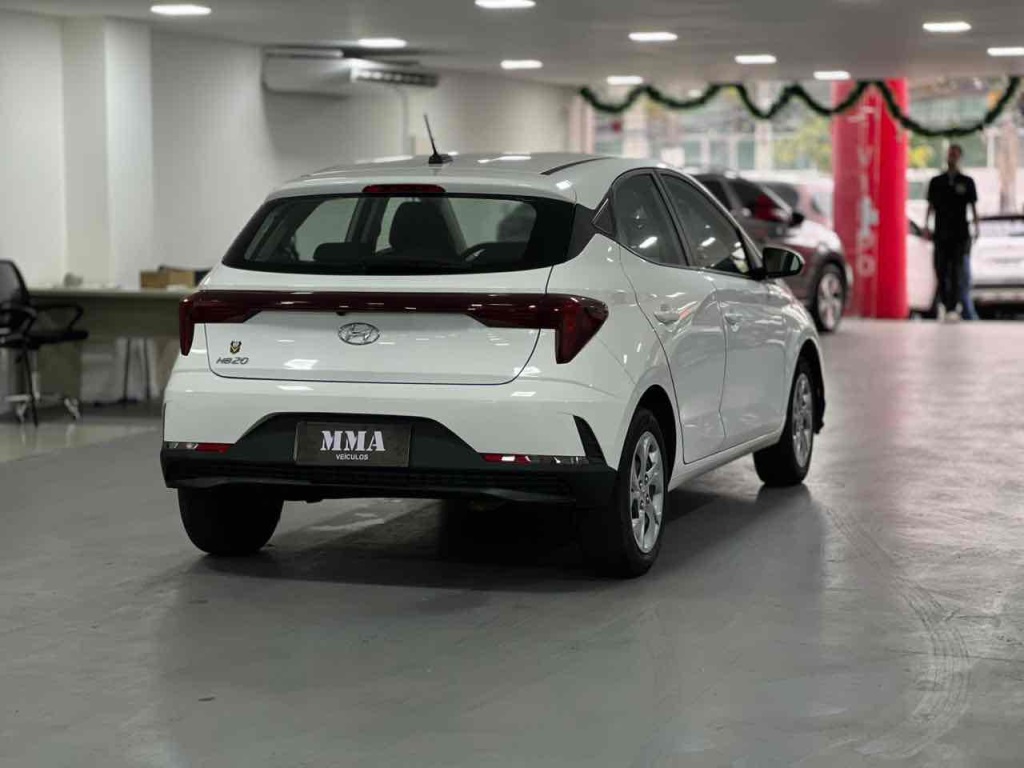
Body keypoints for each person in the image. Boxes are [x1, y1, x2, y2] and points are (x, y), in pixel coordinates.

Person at [925, 144, 979, 320]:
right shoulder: (937, 182)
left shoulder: (967, 182)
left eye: (955, 155)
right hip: (941, 232)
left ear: (960, 157)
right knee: (940, 268)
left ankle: (952, 307)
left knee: (956, 269)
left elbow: (973, 207)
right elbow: (930, 206)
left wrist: (976, 227)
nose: (952, 158)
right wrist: (926, 225)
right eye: (950, 154)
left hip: (960, 233)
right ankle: (944, 301)